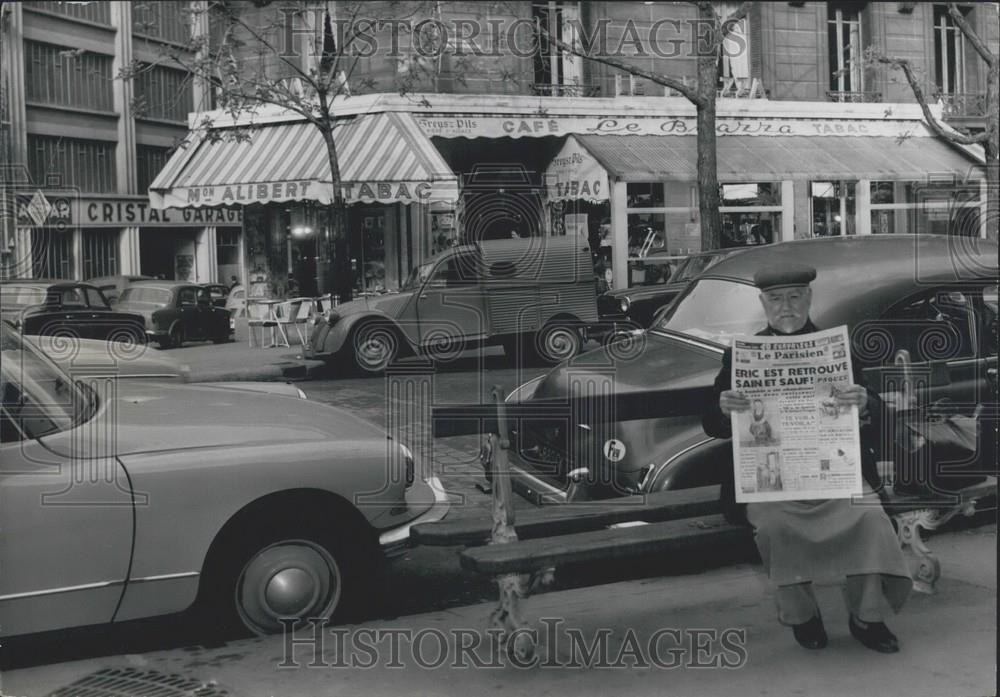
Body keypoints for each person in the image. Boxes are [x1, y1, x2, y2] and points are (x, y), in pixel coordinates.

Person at [702, 263, 911, 654]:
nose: (786, 307)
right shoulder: (743, 356)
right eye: (776, 299)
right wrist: (723, 407)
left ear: (809, 299)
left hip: (834, 474)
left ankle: (867, 615)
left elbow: (877, 418)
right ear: (762, 303)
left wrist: (866, 403)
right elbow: (711, 425)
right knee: (774, 526)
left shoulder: (837, 349)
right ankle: (802, 615)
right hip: (773, 481)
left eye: (795, 297)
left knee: (869, 517)